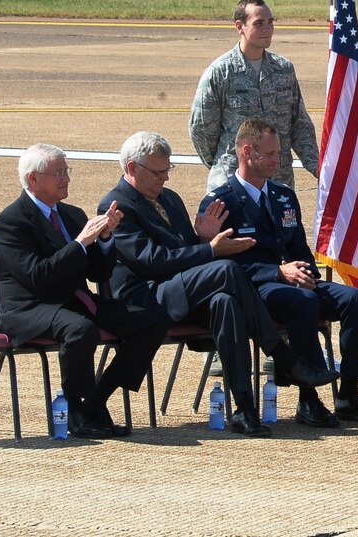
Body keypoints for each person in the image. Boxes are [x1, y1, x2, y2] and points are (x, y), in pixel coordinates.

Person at [98, 131, 339, 437]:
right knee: (225, 268)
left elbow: (185, 252)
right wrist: (210, 249)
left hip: (182, 291)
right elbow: (152, 261)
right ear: (132, 169)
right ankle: (283, 356)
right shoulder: (117, 205)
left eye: (167, 171)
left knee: (225, 302)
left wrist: (203, 239)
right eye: (158, 173)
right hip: (146, 297)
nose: (165, 179)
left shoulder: (168, 200)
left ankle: (244, 408)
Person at [202, 119, 358, 427]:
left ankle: (349, 394)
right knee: (303, 303)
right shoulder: (221, 202)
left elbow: (299, 245)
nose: (279, 159)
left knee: (357, 299)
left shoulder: (283, 196)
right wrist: (277, 272)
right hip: (257, 288)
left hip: (296, 280)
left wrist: (306, 272)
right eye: (272, 153)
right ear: (248, 152)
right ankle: (308, 399)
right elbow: (223, 266)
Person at [0, 143, 169, 439]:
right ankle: (74, 410)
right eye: (58, 173)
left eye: (66, 171)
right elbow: (38, 277)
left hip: (73, 303)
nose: (66, 179)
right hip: (29, 308)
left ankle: (96, 400)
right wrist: (79, 244)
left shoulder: (71, 215)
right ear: (33, 179)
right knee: (80, 330)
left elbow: (98, 273)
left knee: (154, 320)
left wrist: (105, 239)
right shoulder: (12, 221)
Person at [189, 0, 319, 191]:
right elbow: (201, 129)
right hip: (234, 185)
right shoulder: (221, 73)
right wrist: (225, 163)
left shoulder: (284, 69)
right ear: (240, 26)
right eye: (259, 23)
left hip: (278, 184)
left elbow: (300, 125)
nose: (267, 29)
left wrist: (315, 166)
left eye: (270, 22)